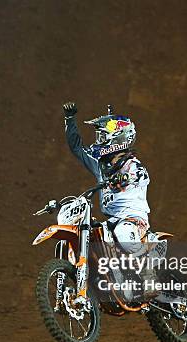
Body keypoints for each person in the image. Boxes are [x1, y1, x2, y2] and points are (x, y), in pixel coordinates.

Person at [63, 101, 157, 300]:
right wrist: (70, 121)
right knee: (95, 236)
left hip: (133, 218)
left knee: (123, 232)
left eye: (102, 136)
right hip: (112, 219)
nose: (98, 140)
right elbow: (77, 149)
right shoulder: (100, 164)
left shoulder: (132, 164)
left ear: (118, 138)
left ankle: (149, 275)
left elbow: (141, 176)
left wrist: (125, 178)